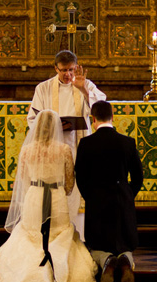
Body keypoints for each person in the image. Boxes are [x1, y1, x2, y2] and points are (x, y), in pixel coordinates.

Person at [0, 110, 103, 282]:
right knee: (58, 232)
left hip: (34, 198)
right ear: (56, 128)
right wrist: (59, 189)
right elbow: (70, 184)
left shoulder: (27, 150)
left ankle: (26, 276)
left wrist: (38, 187)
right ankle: (59, 275)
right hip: (57, 198)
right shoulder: (64, 150)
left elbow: (24, 180)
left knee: (32, 235)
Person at [28, 50, 106, 233]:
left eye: (71, 70)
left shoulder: (85, 84)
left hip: (81, 146)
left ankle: (79, 232)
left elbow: (101, 110)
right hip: (54, 148)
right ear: (55, 68)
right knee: (59, 188)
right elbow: (33, 119)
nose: (68, 74)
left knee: (80, 187)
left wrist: (83, 90)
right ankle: (57, 230)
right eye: (63, 70)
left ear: (77, 67)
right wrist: (53, 126)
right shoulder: (43, 88)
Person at [75, 100, 143, 282]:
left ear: (93, 119)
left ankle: (106, 261)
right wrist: (129, 194)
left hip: (97, 199)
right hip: (122, 198)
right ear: (113, 117)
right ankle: (126, 261)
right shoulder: (127, 142)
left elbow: (80, 176)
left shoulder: (86, 143)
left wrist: (91, 196)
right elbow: (138, 176)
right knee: (125, 243)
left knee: (97, 244)